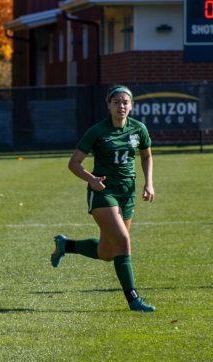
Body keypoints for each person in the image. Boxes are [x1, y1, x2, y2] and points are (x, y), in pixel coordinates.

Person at [51, 85, 156, 312]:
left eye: (125, 102)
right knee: (124, 242)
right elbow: (74, 163)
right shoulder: (97, 131)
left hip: (127, 193)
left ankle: (65, 245)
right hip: (103, 192)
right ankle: (133, 299)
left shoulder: (139, 129)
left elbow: (146, 156)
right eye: (116, 102)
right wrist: (91, 179)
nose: (121, 106)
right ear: (108, 105)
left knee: (108, 253)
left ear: (132, 105)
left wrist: (149, 183)